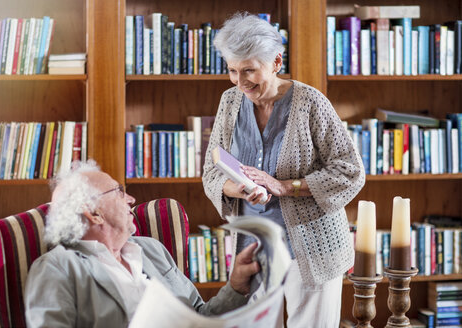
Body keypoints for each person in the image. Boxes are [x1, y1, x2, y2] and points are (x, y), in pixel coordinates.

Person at [202, 13, 365, 327]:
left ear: (276, 61)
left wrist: (284, 186)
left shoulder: (310, 103)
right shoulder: (230, 101)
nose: (241, 82)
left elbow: (350, 171)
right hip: (253, 248)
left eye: (250, 69)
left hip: (311, 247)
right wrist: (235, 187)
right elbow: (212, 171)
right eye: (232, 71)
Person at [24, 160, 260, 327]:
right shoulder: (58, 267)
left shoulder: (151, 249)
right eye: (119, 191)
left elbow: (200, 316)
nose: (131, 199)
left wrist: (237, 286)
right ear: (93, 212)